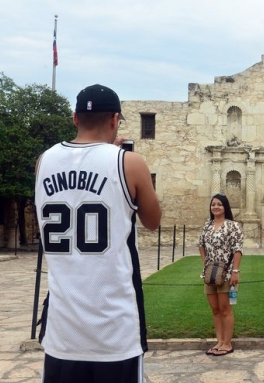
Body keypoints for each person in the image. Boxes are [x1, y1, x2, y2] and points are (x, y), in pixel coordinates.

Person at [35, 84, 162, 382]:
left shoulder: (43, 162)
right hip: (115, 326)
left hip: (62, 327)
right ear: (115, 119)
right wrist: (119, 158)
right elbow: (152, 220)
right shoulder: (129, 163)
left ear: (75, 118)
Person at [199, 193, 243, 356]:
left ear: (225, 207)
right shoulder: (207, 226)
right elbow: (201, 245)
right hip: (210, 273)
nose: (215, 207)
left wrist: (235, 271)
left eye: (219, 204)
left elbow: (237, 249)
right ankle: (219, 341)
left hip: (226, 272)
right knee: (215, 309)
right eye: (213, 204)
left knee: (225, 309)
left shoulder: (233, 226)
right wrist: (205, 262)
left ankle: (227, 343)